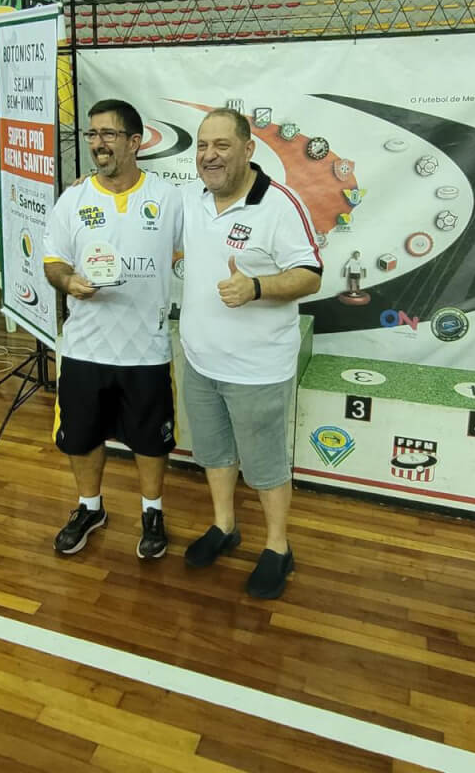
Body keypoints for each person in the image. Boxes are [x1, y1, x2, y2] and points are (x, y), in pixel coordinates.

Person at [179, 107, 322, 599]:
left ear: (248, 149)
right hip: (200, 360)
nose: (209, 155)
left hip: (257, 368)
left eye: (221, 145)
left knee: (264, 466)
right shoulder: (192, 198)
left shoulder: (279, 204)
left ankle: (279, 547)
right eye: (202, 146)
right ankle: (225, 526)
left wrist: (257, 287)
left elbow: (310, 276)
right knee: (214, 453)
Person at [43, 99, 183, 560]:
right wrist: (68, 281)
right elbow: (53, 262)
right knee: (82, 435)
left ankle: (152, 512)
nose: (97, 143)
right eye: (92, 134)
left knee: (150, 438)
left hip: (146, 347)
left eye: (108, 134)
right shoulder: (74, 198)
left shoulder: (168, 198)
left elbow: (194, 249)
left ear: (134, 142)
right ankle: (90, 507)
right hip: (85, 346)